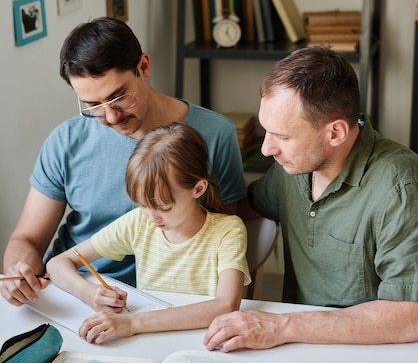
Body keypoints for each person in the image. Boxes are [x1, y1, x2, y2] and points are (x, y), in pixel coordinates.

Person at [2, 17, 246, 305]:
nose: (111, 117)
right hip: (73, 290)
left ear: (143, 67)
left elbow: (225, 234)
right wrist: (20, 274)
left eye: (119, 97)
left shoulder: (214, 134)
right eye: (93, 106)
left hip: (168, 296)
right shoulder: (65, 141)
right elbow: (27, 239)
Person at [204, 46, 418, 352]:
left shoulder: (401, 186)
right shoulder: (295, 166)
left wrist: (281, 325)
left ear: (335, 133)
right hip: (297, 346)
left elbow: (411, 315)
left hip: (371, 353)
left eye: (283, 136)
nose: (266, 149)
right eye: (267, 131)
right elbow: (243, 206)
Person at [47, 123, 250, 344]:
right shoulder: (138, 223)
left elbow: (226, 305)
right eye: (142, 205)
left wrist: (132, 323)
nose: (152, 218)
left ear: (198, 189)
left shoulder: (228, 231)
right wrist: (88, 293)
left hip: (203, 343)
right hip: (148, 342)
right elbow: (57, 264)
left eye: (164, 208)